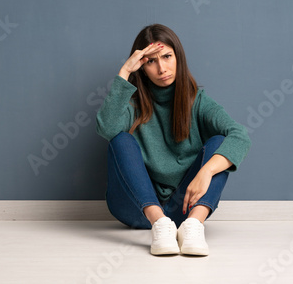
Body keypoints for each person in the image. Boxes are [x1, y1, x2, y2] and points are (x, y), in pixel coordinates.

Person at [96, 24, 251, 256]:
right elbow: (107, 129)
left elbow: (240, 135)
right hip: (136, 208)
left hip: (185, 208)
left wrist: (206, 171)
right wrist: (125, 73)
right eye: (151, 62)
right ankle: (160, 225)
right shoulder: (132, 103)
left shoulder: (197, 100)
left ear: (178, 57)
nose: (161, 68)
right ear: (142, 67)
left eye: (167, 56)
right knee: (120, 139)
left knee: (220, 142)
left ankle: (194, 226)